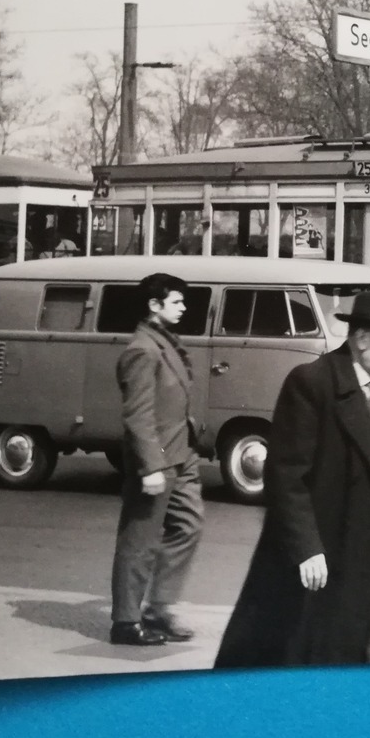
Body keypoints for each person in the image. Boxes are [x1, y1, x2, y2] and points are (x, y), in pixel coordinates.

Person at [215, 289, 370, 667]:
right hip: (336, 550)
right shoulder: (312, 383)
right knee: (323, 650)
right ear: (361, 338)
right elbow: (286, 473)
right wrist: (306, 547)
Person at [109, 273, 205, 647]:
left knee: (189, 525)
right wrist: (150, 466)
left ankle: (158, 609)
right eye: (177, 301)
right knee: (140, 540)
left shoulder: (164, 342)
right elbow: (138, 416)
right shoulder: (142, 350)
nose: (184, 307)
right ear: (154, 305)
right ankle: (126, 623)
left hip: (182, 455)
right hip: (158, 460)